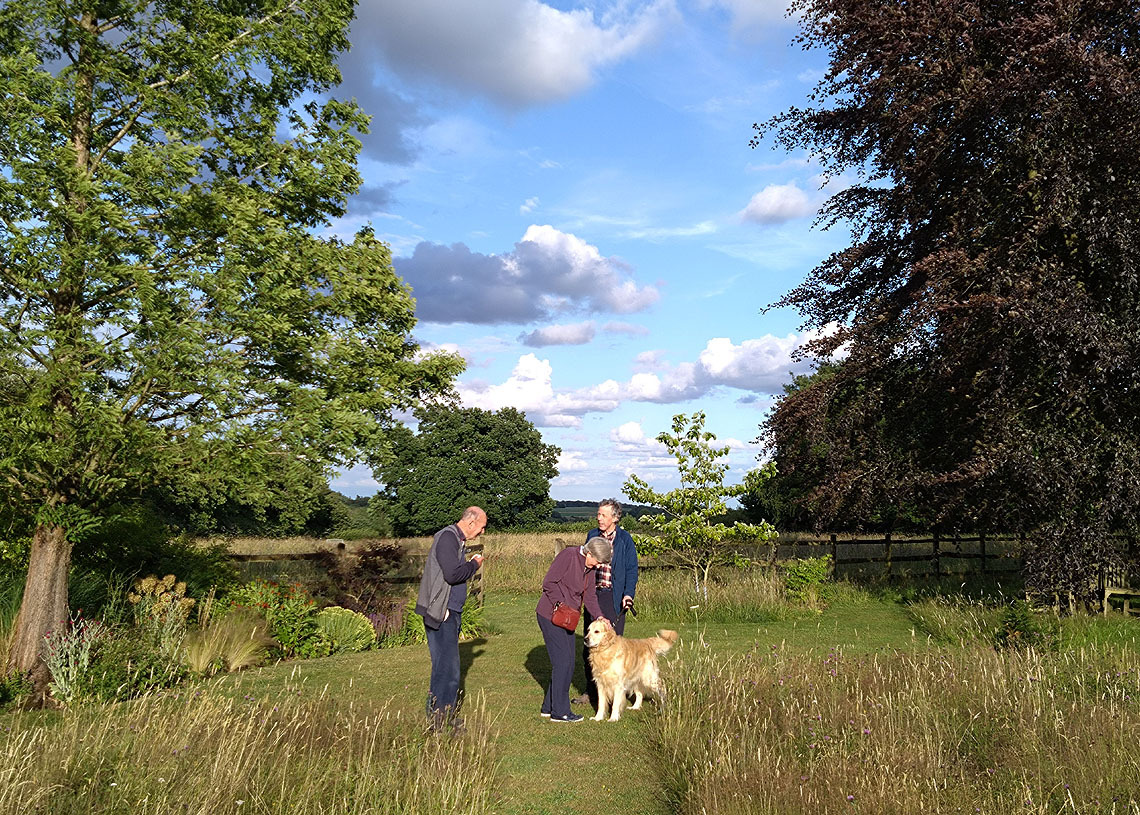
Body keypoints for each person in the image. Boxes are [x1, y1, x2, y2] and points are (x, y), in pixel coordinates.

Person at [415, 506, 486, 728]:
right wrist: (474, 564)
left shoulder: (455, 539)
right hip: (442, 612)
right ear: (471, 523)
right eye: (482, 527)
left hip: (448, 611)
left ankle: (442, 716)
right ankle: (439, 721)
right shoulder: (448, 538)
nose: (482, 532)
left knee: (447, 668)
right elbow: (453, 574)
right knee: (447, 669)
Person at [536, 535, 613, 722]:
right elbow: (548, 583)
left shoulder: (590, 568)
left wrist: (600, 616)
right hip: (550, 615)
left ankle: (548, 707)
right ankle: (560, 713)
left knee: (568, 662)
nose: (597, 566)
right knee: (563, 663)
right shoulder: (568, 556)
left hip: (569, 619)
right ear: (589, 552)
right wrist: (560, 604)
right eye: (597, 561)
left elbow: (590, 597)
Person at [579, 498, 639, 708]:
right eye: (598, 514)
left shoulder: (625, 539)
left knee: (614, 647)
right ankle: (591, 691)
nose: (599, 518)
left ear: (615, 518)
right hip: (593, 595)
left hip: (614, 597)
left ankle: (620, 689)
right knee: (590, 644)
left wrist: (628, 594)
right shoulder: (592, 536)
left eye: (603, 515)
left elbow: (632, 569)